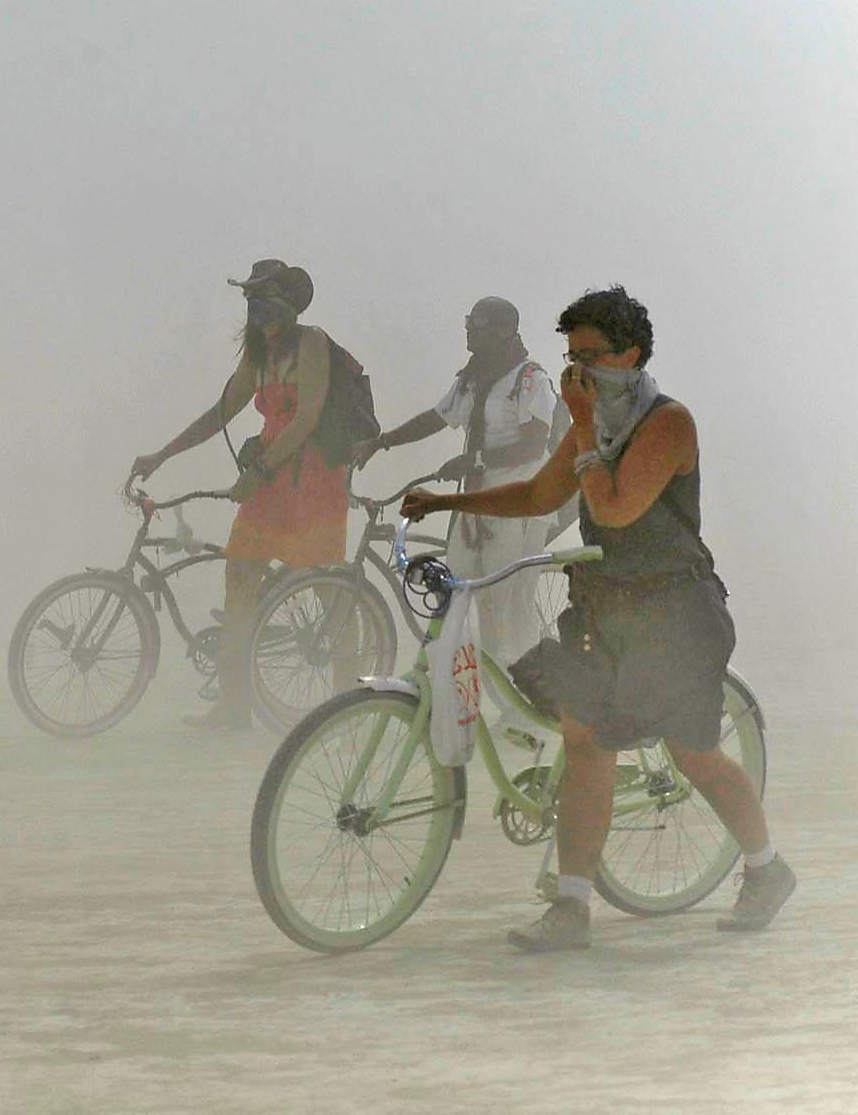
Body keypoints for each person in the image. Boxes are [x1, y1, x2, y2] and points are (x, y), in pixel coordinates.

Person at [403, 286, 794, 951]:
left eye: (592, 356)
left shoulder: (667, 424)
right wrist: (444, 503)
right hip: (605, 613)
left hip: (676, 617)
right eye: (571, 356)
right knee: (587, 742)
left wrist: (580, 422)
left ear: (632, 354)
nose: (578, 371)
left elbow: (613, 509)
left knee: (693, 755)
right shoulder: (595, 426)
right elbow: (537, 494)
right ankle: (572, 907)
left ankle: (766, 868)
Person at [130, 259, 352, 728]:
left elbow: (308, 416)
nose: (256, 309)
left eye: (263, 299)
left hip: (312, 477)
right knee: (239, 581)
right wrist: (162, 455)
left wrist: (263, 470)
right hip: (268, 479)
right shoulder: (258, 356)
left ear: (287, 305)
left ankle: (346, 702)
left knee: (326, 589)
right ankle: (233, 706)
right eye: (250, 300)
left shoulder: (311, 343)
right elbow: (219, 415)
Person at [355, 296, 557, 667]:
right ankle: (462, 686)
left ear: (503, 332)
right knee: (458, 592)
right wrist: (382, 442)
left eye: (477, 327)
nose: (469, 335)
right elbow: (436, 418)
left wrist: (476, 459)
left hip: (520, 500)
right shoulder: (472, 379)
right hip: (477, 501)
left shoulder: (530, 379)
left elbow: (534, 444)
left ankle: (528, 695)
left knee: (509, 605)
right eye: (468, 326)